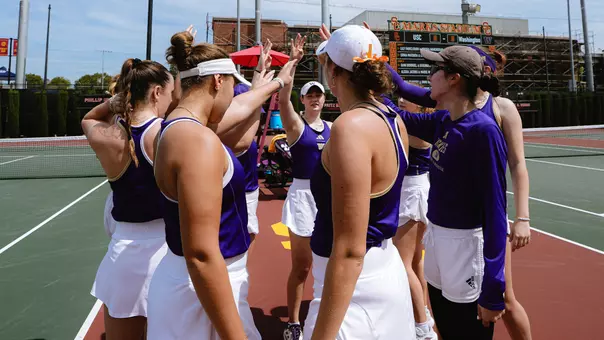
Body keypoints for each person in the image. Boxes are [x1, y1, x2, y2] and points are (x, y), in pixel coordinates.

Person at [146, 30, 295, 339]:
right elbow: (201, 256)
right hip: (203, 290)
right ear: (217, 81)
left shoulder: (178, 127)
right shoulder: (196, 141)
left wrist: (276, 82)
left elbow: (241, 107)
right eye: (232, 85)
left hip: (194, 284)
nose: (234, 96)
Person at [387, 45, 532, 340]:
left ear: (453, 78)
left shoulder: (483, 130)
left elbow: (494, 209)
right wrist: (363, 68)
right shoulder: (443, 120)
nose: (430, 76)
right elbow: (398, 114)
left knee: (469, 329)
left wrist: (493, 288)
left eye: (435, 69)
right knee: (446, 326)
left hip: (467, 242)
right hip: (439, 237)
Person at [303, 24, 415, 340]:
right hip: (383, 272)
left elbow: (350, 249)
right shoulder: (392, 119)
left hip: (352, 287)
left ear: (334, 74)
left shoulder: (350, 127)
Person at [83, 58, 175, 339]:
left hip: (123, 255)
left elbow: (89, 119)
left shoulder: (110, 135)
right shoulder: (167, 134)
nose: (172, 100)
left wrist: (116, 102)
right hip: (167, 254)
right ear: (157, 93)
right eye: (170, 93)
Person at [278, 34, 331, 340]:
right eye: (309, 94)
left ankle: (326, 313)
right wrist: (294, 62)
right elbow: (283, 99)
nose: (314, 98)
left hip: (326, 198)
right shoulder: (297, 127)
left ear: (324, 99)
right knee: (301, 266)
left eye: (318, 94)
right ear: (304, 99)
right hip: (301, 198)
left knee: (328, 261)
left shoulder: (335, 129)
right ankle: (293, 322)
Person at [382, 94, 437, 339]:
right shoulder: (418, 124)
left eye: (407, 99)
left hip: (412, 192)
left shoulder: (418, 128)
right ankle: (422, 310)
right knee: (415, 262)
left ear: (421, 107)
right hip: (415, 189)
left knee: (402, 263)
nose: (402, 100)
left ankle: (423, 327)